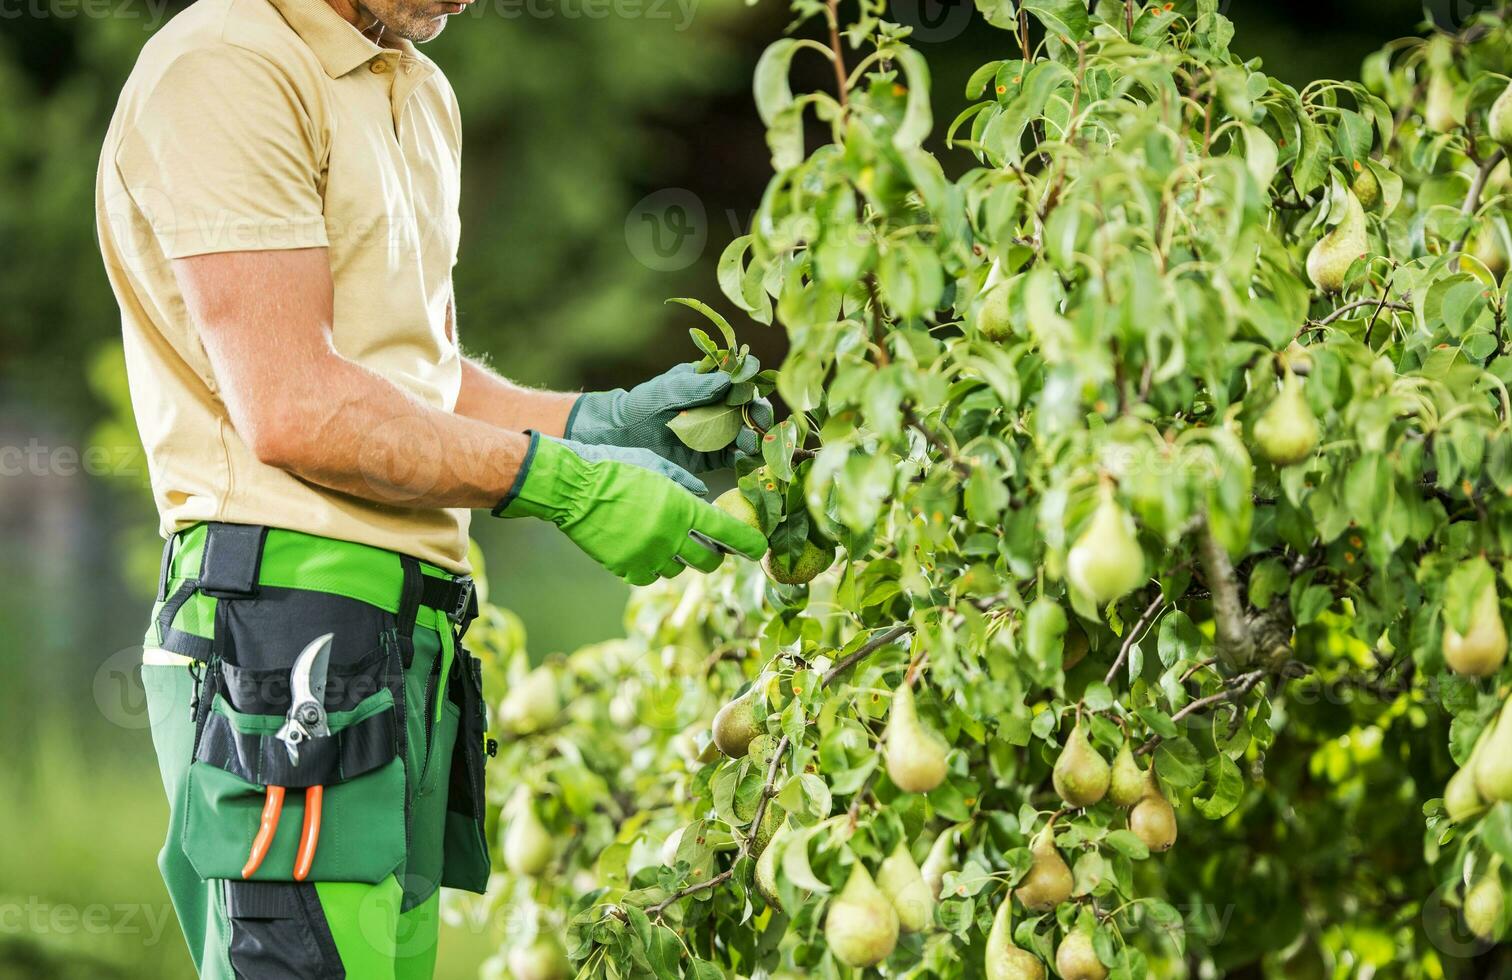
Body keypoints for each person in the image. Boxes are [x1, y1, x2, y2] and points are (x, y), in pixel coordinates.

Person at [94, 0, 769, 973]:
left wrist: (593, 422)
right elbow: (294, 403)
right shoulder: (228, 65)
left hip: (413, 635)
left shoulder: (415, 86)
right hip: (283, 629)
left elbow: (417, 381)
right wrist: (560, 482)